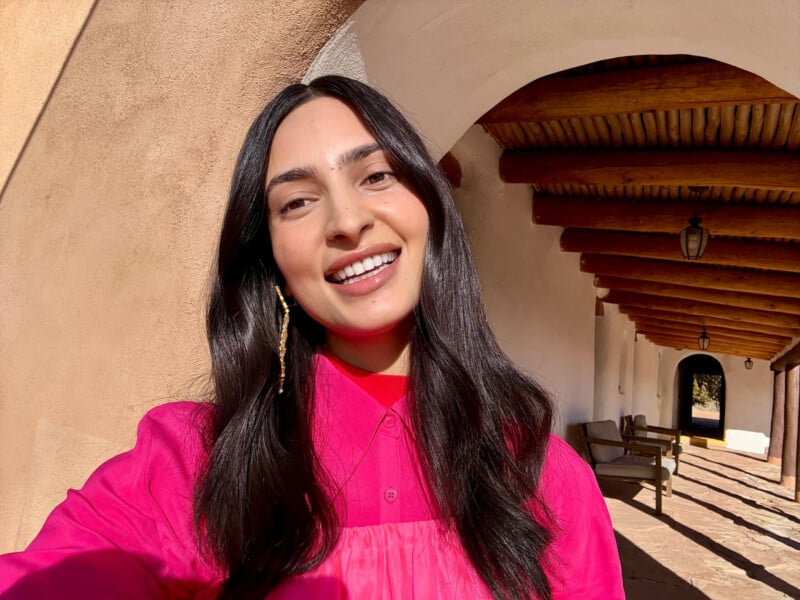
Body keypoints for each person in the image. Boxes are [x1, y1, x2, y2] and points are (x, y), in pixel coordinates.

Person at [0, 75, 624, 599]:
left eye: (376, 176)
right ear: (272, 264)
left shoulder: (539, 471)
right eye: (297, 202)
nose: (347, 221)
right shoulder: (199, 463)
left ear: (429, 209)